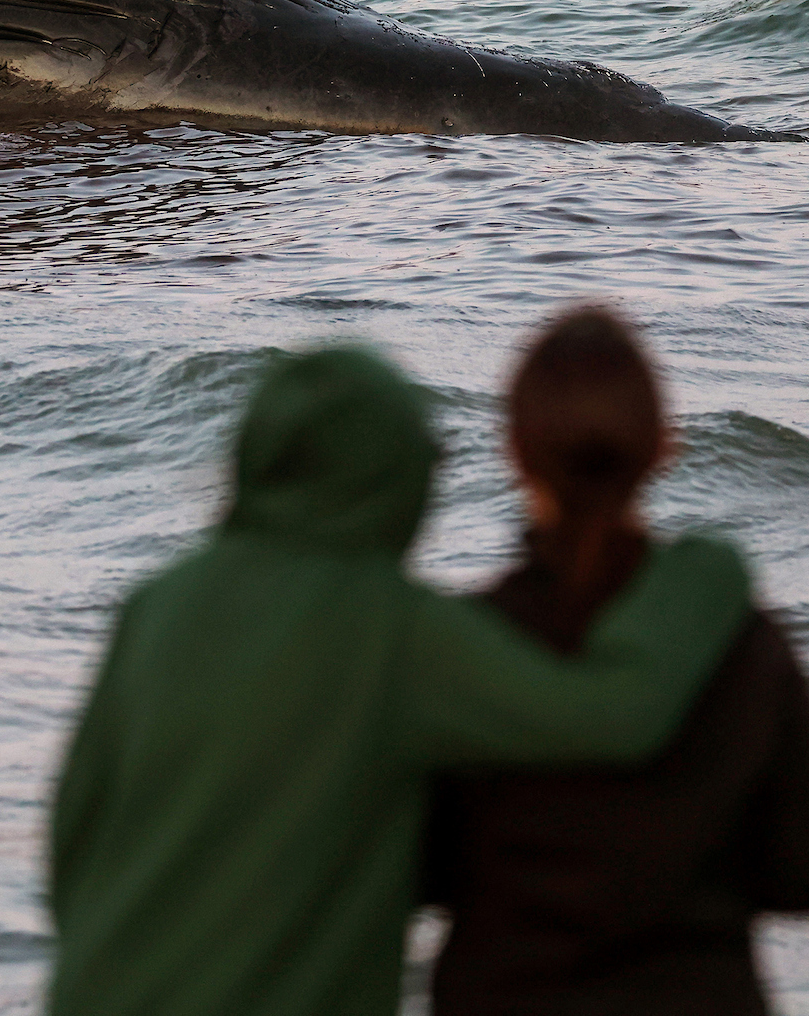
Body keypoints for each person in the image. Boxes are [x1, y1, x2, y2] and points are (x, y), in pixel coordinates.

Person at [45, 344, 757, 1016]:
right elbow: (615, 714)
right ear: (397, 476)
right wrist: (703, 569)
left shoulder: (159, 603)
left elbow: (72, 838)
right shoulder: (396, 629)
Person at [425, 305, 809, 1016]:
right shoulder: (739, 642)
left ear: (515, 452)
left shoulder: (466, 645)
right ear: (664, 445)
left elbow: (412, 866)